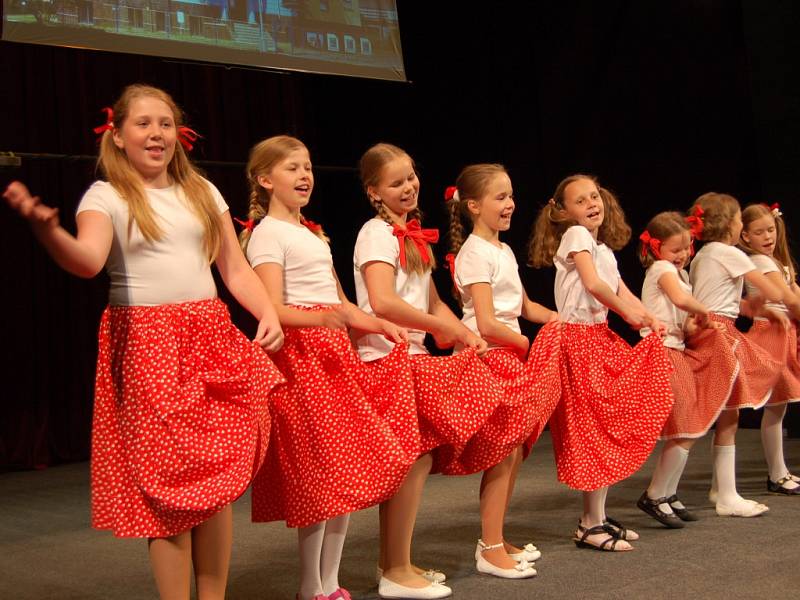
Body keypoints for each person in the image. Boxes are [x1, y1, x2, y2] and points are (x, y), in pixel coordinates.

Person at [3, 84, 285, 600]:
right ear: (117, 134)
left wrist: (266, 310)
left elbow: (234, 268)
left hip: (208, 337)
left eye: (165, 123)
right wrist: (49, 231)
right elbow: (87, 261)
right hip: (149, 346)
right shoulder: (106, 196)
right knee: (169, 487)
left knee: (215, 479)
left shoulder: (202, 190)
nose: (156, 133)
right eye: (143, 123)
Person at [239, 135, 420, 600]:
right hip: (301, 361)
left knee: (346, 470)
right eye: (292, 168)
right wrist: (325, 318)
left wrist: (379, 323)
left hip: (334, 356)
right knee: (319, 476)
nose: (305, 176)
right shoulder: (268, 234)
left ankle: (331, 583)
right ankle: (309, 586)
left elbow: (340, 301)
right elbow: (272, 308)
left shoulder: (311, 232)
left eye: (309, 167)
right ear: (265, 180)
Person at [528, 174, 673, 552]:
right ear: (563, 211)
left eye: (594, 196)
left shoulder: (600, 245)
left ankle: (598, 516)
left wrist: (647, 317)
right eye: (580, 200)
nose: (591, 204)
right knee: (592, 430)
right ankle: (590, 523)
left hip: (597, 337)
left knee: (606, 425)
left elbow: (619, 287)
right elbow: (594, 285)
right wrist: (630, 314)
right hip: (578, 340)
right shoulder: (575, 235)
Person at [446, 163, 561, 578]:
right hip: (491, 357)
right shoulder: (473, 253)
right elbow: (489, 321)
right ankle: (489, 547)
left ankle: (497, 535)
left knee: (513, 454)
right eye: (500, 197)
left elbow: (525, 308)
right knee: (501, 453)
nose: (510, 204)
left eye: (510, 195)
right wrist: (525, 343)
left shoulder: (503, 250)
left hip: (508, 354)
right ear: (473, 205)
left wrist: (559, 319)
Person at [636, 211, 738, 527]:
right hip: (661, 351)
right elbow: (680, 300)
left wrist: (695, 323)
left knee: (690, 427)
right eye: (674, 249)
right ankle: (655, 494)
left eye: (686, 248)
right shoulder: (661, 269)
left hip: (675, 350)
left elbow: (682, 312)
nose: (681, 255)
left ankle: (666, 492)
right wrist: (703, 311)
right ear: (656, 249)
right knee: (686, 427)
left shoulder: (680, 274)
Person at [688, 192, 785, 516]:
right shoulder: (729, 253)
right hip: (719, 333)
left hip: (709, 328)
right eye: (741, 220)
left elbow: (723, 300)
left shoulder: (704, 254)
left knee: (728, 413)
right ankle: (726, 495)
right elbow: (774, 289)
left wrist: (753, 306)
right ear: (730, 225)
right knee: (726, 414)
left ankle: (722, 489)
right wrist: (774, 299)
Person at [738, 202, 800, 495]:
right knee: (776, 407)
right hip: (771, 334)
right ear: (746, 237)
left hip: (785, 332)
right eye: (759, 232)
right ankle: (777, 474)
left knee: (780, 407)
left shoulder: (776, 262)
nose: (768, 236)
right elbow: (789, 300)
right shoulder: (761, 263)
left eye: (771, 230)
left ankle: (780, 471)